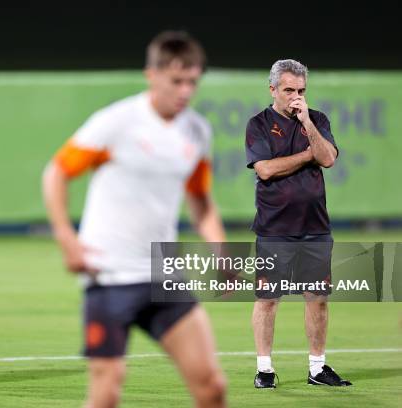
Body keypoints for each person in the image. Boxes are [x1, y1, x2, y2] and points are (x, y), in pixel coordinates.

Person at [42, 31, 227, 407]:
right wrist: (66, 237)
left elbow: (200, 197)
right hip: (109, 277)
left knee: (211, 387)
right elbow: (57, 172)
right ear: (152, 74)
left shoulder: (197, 131)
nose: (186, 91)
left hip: (164, 276)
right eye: (177, 81)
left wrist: (220, 248)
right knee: (107, 392)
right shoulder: (117, 122)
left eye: (193, 81)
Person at [245, 59, 352, 388]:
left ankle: (317, 368)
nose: (296, 97)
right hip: (274, 228)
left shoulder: (316, 119)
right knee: (268, 299)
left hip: (315, 227)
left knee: (317, 298)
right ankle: (265, 369)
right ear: (273, 89)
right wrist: (307, 156)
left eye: (301, 91)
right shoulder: (259, 123)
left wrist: (307, 123)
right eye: (289, 90)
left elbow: (329, 158)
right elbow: (265, 169)